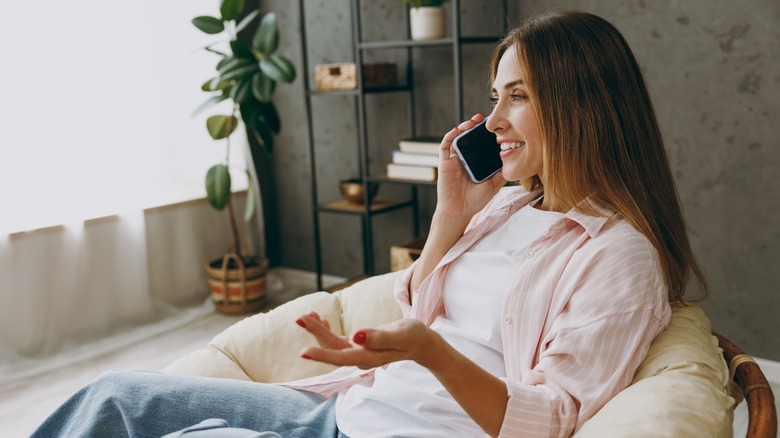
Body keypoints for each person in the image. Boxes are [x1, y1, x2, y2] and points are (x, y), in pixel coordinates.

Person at [32, 9, 707, 438]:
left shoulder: (618, 257)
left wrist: (428, 353)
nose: (495, 120)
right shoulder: (509, 204)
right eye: (494, 97)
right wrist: (451, 215)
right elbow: (415, 303)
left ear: (584, 107)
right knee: (114, 396)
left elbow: (552, 420)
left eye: (520, 97)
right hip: (345, 411)